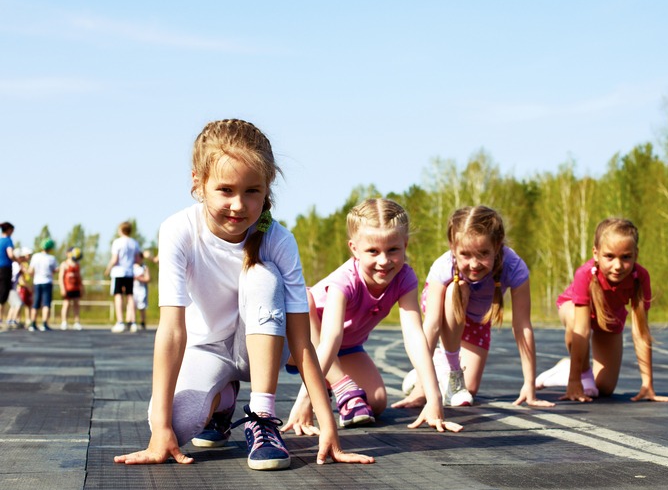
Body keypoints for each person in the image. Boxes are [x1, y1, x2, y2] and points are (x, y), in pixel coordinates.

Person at [113, 118, 373, 471]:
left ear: (268, 188)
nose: (239, 205)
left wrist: (328, 424)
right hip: (207, 349)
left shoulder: (279, 240)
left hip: (263, 352)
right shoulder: (178, 230)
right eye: (225, 190)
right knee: (174, 426)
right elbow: (172, 331)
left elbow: (302, 341)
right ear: (198, 183)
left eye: (252, 191)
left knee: (261, 277)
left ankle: (262, 418)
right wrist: (159, 429)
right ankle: (223, 401)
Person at [284, 198, 461, 435]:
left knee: (375, 402)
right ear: (354, 248)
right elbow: (330, 339)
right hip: (299, 344)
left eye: (393, 250)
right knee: (304, 301)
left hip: (346, 349)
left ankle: (332, 384)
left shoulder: (405, 278)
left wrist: (434, 397)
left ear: (405, 244)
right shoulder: (344, 280)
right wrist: (307, 399)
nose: (384, 261)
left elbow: (414, 336)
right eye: (372, 251)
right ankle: (337, 385)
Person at [406, 205, 553, 409]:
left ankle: (440, 367)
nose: (474, 264)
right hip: (443, 309)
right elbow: (431, 326)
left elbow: (522, 326)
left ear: (497, 245)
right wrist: (421, 388)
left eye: (483, 253)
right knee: (458, 289)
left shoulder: (514, 267)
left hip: (476, 319)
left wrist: (529, 385)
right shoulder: (443, 266)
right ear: (452, 247)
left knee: (471, 389)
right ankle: (446, 371)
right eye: (465, 255)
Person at [541, 217, 668, 403]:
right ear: (596, 253)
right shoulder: (585, 274)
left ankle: (567, 367)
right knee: (575, 319)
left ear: (636, 254)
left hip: (610, 318)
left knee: (603, 389)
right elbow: (582, 330)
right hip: (575, 311)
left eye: (626, 257)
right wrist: (574, 383)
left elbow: (641, 332)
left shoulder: (640, 277)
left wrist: (647, 384)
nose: (618, 266)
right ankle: (578, 372)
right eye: (609, 256)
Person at [104, 221, 142, 333]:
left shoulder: (117, 242)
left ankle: (120, 322)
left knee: (118, 296)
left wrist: (108, 269)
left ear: (121, 230)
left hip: (118, 272)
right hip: (130, 272)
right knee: (130, 297)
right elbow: (138, 259)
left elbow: (115, 259)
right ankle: (133, 322)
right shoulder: (134, 243)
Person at [28, 238, 58, 331]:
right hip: (47, 282)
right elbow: (55, 270)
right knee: (46, 303)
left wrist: (34, 276)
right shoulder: (51, 258)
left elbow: (30, 270)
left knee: (35, 303)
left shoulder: (35, 257)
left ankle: (33, 323)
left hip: (37, 282)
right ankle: (44, 323)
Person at [59, 247, 84, 330]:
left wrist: (82, 287)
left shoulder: (77, 264)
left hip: (76, 287)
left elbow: (80, 277)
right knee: (66, 304)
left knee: (76, 304)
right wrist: (62, 288)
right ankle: (64, 322)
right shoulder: (64, 264)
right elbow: (61, 277)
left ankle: (77, 322)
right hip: (68, 288)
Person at [0, 222, 17, 322]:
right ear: (9, 230)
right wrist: (17, 260)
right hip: (5, 270)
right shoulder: (8, 241)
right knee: (2, 295)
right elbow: (10, 254)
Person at [132, 250, 152, 331]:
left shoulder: (144, 267)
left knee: (141, 307)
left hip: (142, 290)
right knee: (132, 306)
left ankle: (142, 321)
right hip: (133, 289)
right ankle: (132, 322)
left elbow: (148, 279)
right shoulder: (131, 267)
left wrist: (139, 278)